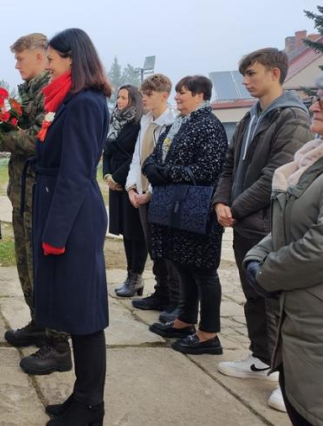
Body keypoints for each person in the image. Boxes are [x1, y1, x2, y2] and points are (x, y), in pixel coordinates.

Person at [212, 48, 312, 412]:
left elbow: (277, 174)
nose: (246, 81)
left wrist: (234, 208)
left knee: (275, 300)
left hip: (269, 223)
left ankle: (285, 378)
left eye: (252, 74)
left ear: (274, 73)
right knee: (253, 293)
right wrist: (221, 203)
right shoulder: (251, 115)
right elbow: (228, 163)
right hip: (243, 221)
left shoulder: (291, 117)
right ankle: (260, 358)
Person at [31, 29, 111, 426]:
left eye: (52, 60)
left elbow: (77, 173)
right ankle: (82, 396)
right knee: (75, 311)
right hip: (65, 210)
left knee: (86, 315)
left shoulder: (83, 104)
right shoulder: (70, 101)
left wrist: (56, 232)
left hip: (74, 217)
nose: (47, 66)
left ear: (70, 59)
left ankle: (90, 407)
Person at [0, 33, 72, 375]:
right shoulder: (31, 92)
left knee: (44, 270)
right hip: (24, 194)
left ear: (39, 57)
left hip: (40, 194)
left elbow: (38, 140)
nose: (17, 65)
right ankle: (39, 322)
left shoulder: (51, 91)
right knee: (26, 263)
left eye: (21, 59)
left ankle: (58, 344)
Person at [244, 81, 323, 426]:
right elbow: (287, 224)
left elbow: (318, 247)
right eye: (317, 98)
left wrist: (266, 272)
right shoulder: (312, 159)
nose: (315, 105)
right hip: (301, 318)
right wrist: (255, 256)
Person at [145, 76, 228, 356]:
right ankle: (185, 320)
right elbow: (156, 156)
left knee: (203, 271)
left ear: (200, 95)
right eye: (177, 93)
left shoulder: (210, 126)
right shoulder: (178, 124)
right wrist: (151, 167)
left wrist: (166, 174)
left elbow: (207, 169)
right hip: (175, 208)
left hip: (198, 209)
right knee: (182, 264)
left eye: (182, 94)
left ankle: (208, 334)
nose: (177, 98)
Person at [125, 75, 181, 322]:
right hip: (141, 191)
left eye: (148, 94)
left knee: (167, 248)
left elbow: (168, 161)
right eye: (143, 94)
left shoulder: (173, 122)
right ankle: (161, 292)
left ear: (164, 96)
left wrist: (150, 194)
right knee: (152, 247)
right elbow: (138, 157)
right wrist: (132, 187)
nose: (144, 99)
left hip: (161, 194)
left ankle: (175, 298)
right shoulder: (145, 120)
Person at [103, 84, 144, 297]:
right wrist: (108, 175)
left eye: (124, 97)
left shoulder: (138, 124)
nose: (119, 101)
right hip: (115, 180)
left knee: (135, 230)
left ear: (133, 100)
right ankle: (131, 275)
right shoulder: (114, 122)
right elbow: (107, 151)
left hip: (130, 180)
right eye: (118, 97)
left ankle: (136, 275)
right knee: (125, 231)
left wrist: (118, 177)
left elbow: (136, 156)